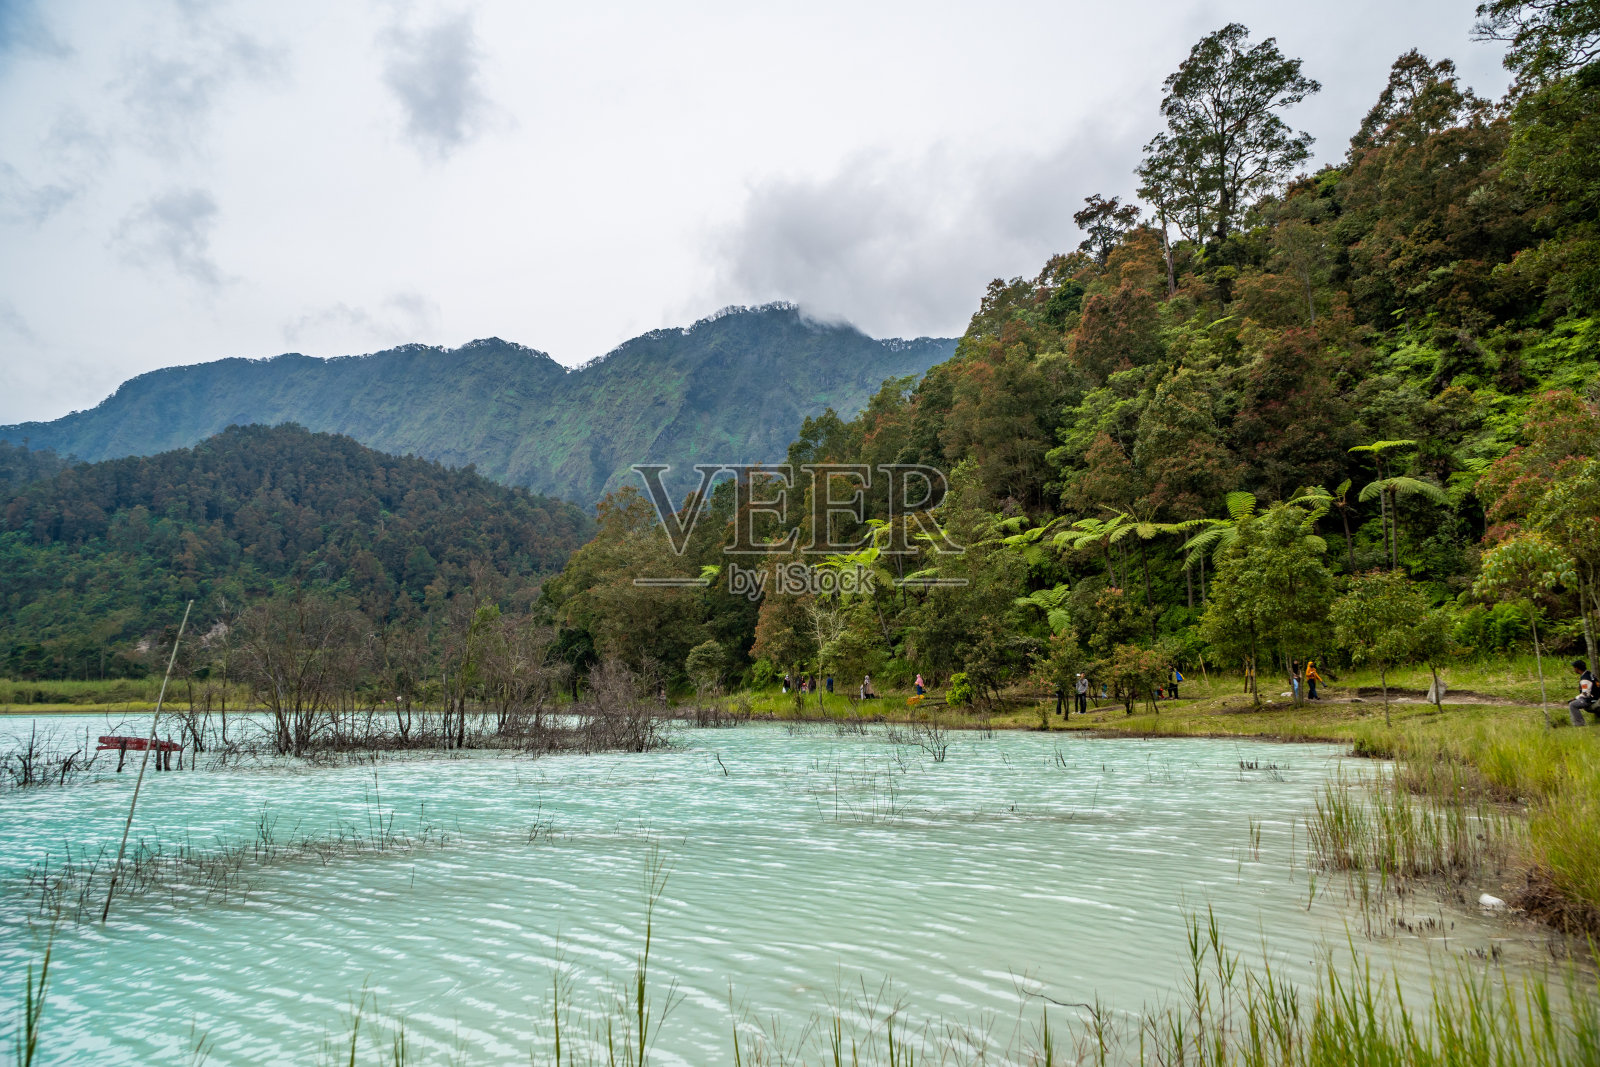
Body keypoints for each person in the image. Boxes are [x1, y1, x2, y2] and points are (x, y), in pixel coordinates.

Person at [1570, 659, 1597, 727]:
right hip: (1595, 696)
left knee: (1572, 705)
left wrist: (1575, 698)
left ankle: (1580, 724)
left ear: (1577, 668)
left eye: (1574, 667)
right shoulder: (1589, 674)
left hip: (1591, 699)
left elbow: (1586, 694)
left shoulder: (1585, 679)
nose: (1574, 669)